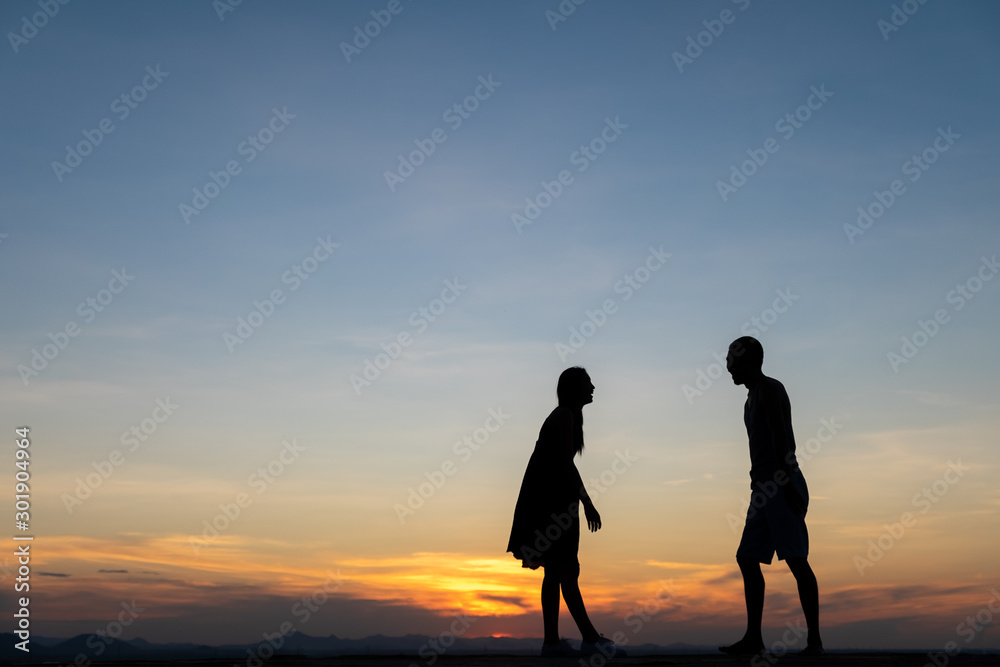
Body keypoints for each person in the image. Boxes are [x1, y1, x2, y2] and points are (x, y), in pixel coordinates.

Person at [507, 367, 624, 658]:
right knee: (566, 569)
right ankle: (589, 639)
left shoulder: (569, 417)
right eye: (588, 383)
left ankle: (552, 642)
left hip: (550, 499)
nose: (594, 387)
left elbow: (561, 463)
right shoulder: (563, 416)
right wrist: (588, 502)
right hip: (553, 502)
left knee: (556, 571)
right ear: (575, 388)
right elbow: (564, 464)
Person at [720, 336, 823, 657]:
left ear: (745, 360)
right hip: (763, 490)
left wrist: (789, 484)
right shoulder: (750, 399)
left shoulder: (769, 389)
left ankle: (814, 642)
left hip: (781, 485)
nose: (727, 367)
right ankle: (754, 638)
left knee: (796, 560)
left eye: (730, 359)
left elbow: (783, 440)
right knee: (747, 558)